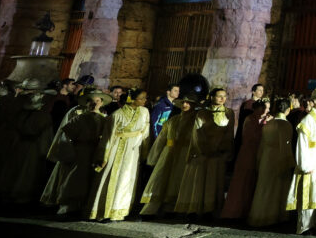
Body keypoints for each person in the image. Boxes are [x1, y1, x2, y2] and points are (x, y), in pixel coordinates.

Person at [42, 89, 110, 214]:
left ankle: (83, 205)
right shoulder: (79, 118)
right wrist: (68, 152)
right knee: (74, 177)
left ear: (102, 103)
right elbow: (66, 136)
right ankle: (68, 205)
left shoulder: (103, 119)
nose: (94, 104)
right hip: (79, 152)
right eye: (91, 101)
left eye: (97, 101)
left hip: (94, 152)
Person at [88, 88, 150, 221]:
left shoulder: (145, 112)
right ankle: (107, 211)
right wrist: (103, 157)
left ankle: (123, 210)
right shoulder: (117, 115)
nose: (145, 101)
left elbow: (145, 133)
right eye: (142, 98)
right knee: (115, 177)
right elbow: (108, 137)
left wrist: (145, 152)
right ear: (132, 99)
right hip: (118, 149)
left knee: (129, 179)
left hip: (134, 151)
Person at [174, 86, 236, 217]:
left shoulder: (229, 113)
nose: (222, 99)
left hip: (219, 152)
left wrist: (225, 149)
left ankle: (211, 209)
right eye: (219, 96)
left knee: (214, 180)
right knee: (200, 179)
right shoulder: (202, 113)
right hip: (203, 151)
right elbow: (197, 133)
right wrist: (204, 149)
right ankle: (196, 208)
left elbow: (229, 133)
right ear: (212, 97)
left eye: (224, 96)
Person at [139, 92, 201, 216]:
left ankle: (174, 208)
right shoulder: (173, 120)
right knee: (161, 177)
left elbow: (199, 139)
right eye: (183, 102)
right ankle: (153, 208)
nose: (185, 104)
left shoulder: (196, 121)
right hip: (169, 151)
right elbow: (161, 139)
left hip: (185, 152)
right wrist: (153, 157)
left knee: (178, 179)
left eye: (188, 103)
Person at [0, 87, 56, 204]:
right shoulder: (43, 117)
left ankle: (9, 191)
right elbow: (46, 136)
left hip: (20, 145)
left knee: (16, 168)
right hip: (33, 147)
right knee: (27, 170)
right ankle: (20, 194)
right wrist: (46, 151)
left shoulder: (21, 115)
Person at [289, 86, 316, 234]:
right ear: (315, 101)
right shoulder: (307, 120)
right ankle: (306, 226)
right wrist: (305, 165)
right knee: (310, 192)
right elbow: (302, 143)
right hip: (312, 159)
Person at [247, 98, 295, 227]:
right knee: (276, 188)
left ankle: (259, 214)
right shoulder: (285, 125)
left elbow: (262, 144)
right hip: (278, 157)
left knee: (264, 186)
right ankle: (274, 216)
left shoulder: (269, 124)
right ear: (287, 110)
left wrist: (259, 159)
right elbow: (285, 145)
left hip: (266, 157)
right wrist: (288, 162)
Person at [221, 99, 269, 220]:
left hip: (255, 152)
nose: (265, 111)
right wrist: (264, 125)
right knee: (243, 180)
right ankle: (235, 210)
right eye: (263, 108)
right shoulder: (250, 119)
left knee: (251, 181)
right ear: (257, 108)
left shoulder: (259, 120)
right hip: (248, 152)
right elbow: (252, 137)